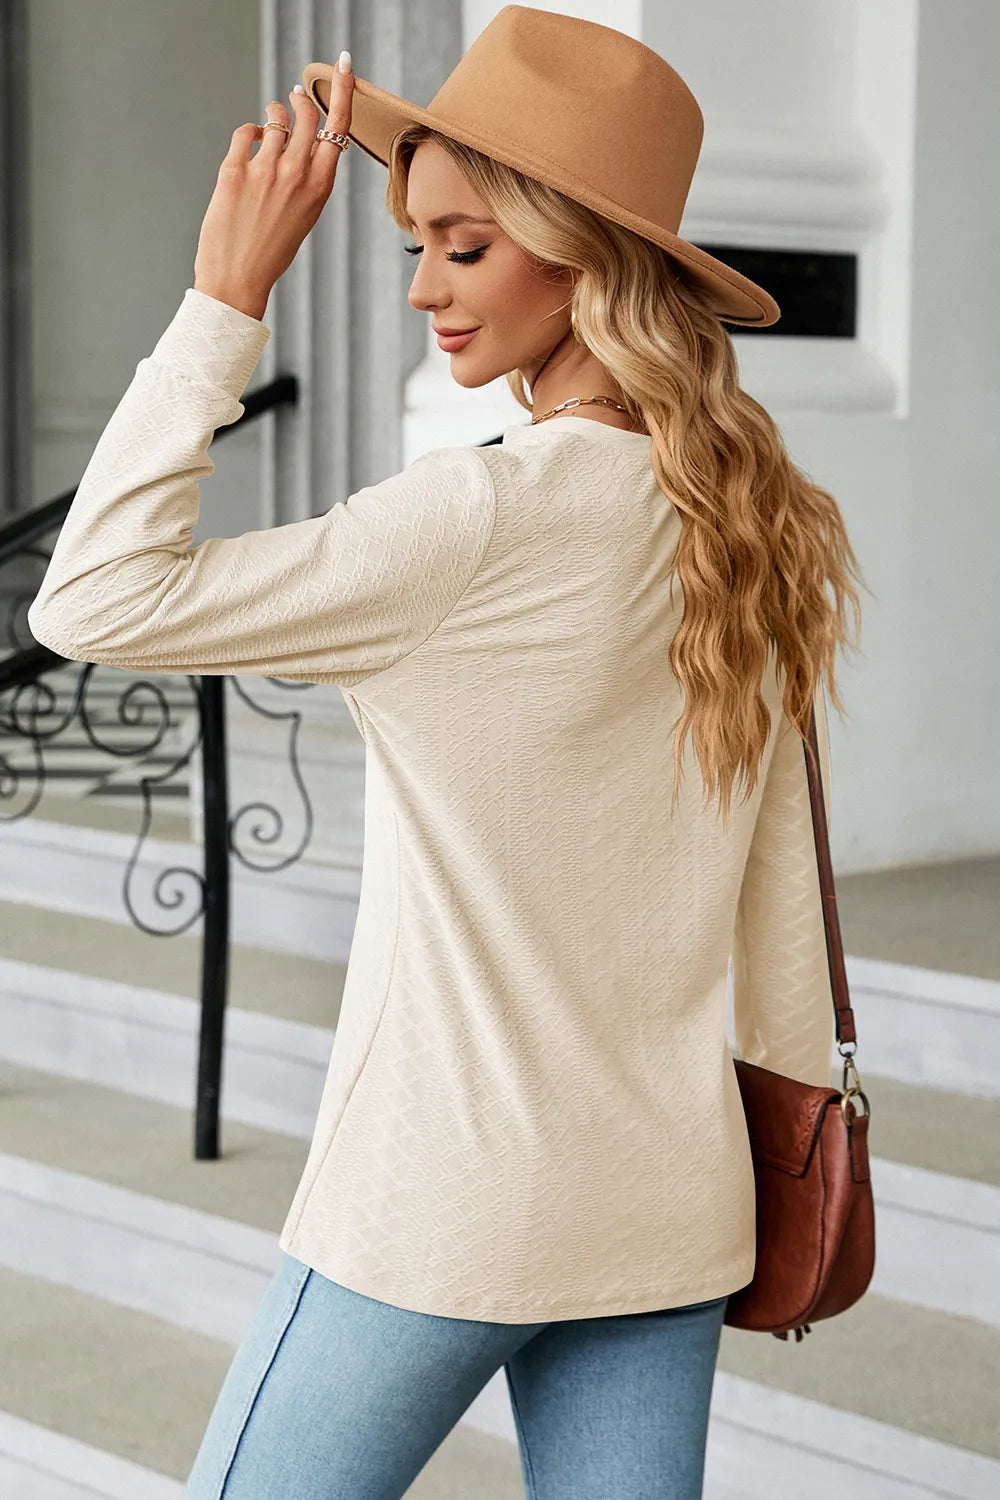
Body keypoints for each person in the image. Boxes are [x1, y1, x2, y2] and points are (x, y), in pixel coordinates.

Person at [27, 8, 867, 1498]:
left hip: (448, 1196)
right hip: (668, 1193)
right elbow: (776, 900)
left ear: (584, 260)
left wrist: (225, 297)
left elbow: (92, 597)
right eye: (419, 242)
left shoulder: (474, 519)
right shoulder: (753, 517)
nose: (422, 287)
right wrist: (792, 1113)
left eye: (465, 247)